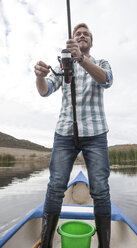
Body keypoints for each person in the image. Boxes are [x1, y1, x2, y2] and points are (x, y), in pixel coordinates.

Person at [34, 23, 113, 248]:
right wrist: (39, 76)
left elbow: (106, 79)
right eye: (78, 34)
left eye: (86, 34)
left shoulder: (100, 63)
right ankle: (46, 244)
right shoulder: (64, 65)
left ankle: (104, 245)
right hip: (65, 133)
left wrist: (82, 59)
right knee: (56, 185)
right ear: (72, 40)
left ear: (90, 41)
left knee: (100, 188)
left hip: (96, 133)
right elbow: (45, 90)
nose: (81, 36)